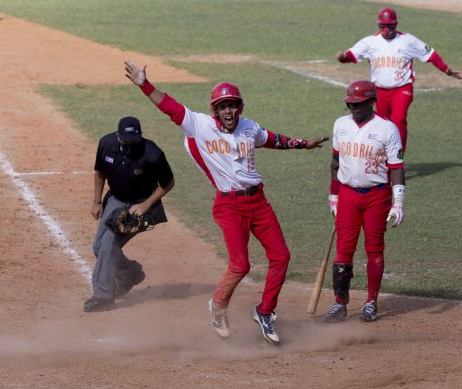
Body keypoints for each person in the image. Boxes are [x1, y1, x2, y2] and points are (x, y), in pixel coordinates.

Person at [124, 59, 328, 345]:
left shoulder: (249, 127)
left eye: (232, 105)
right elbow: (169, 106)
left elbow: (271, 139)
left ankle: (265, 311)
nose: (228, 110)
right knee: (240, 265)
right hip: (229, 206)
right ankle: (218, 306)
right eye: (223, 106)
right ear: (214, 110)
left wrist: (302, 144)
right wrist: (144, 84)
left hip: (258, 202)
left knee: (281, 256)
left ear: (239, 107)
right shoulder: (199, 126)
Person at [326, 80, 405, 323]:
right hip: (348, 194)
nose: (353, 107)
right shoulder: (340, 125)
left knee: (374, 248)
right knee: (343, 250)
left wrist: (398, 201)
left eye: (358, 104)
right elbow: (335, 163)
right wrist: (334, 197)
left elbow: (396, 167)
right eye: (350, 103)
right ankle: (340, 303)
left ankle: (371, 302)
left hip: (377, 195)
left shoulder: (387, 129)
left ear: (372, 102)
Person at [336, 7, 462, 153]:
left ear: (396, 24)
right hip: (379, 91)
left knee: (399, 120)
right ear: (378, 25)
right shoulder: (370, 42)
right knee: (383, 124)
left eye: (390, 25)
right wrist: (342, 58)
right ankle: (384, 158)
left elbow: (431, 55)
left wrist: (447, 70)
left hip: (402, 88)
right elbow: (352, 55)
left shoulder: (408, 40)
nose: (386, 29)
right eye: (383, 25)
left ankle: (398, 157)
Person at [84, 116, 175, 312]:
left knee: (109, 244)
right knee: (99, 247)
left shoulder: (152, 153)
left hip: (139, 206)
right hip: (115, 199)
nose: (130, 144)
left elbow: (168, 182)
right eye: (126, 140)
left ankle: (103, 296)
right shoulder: (106, 144)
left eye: (134, 140)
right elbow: (100, 172)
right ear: (118, 136)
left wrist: (146, 204)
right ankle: (130, 273)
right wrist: (97, 201)